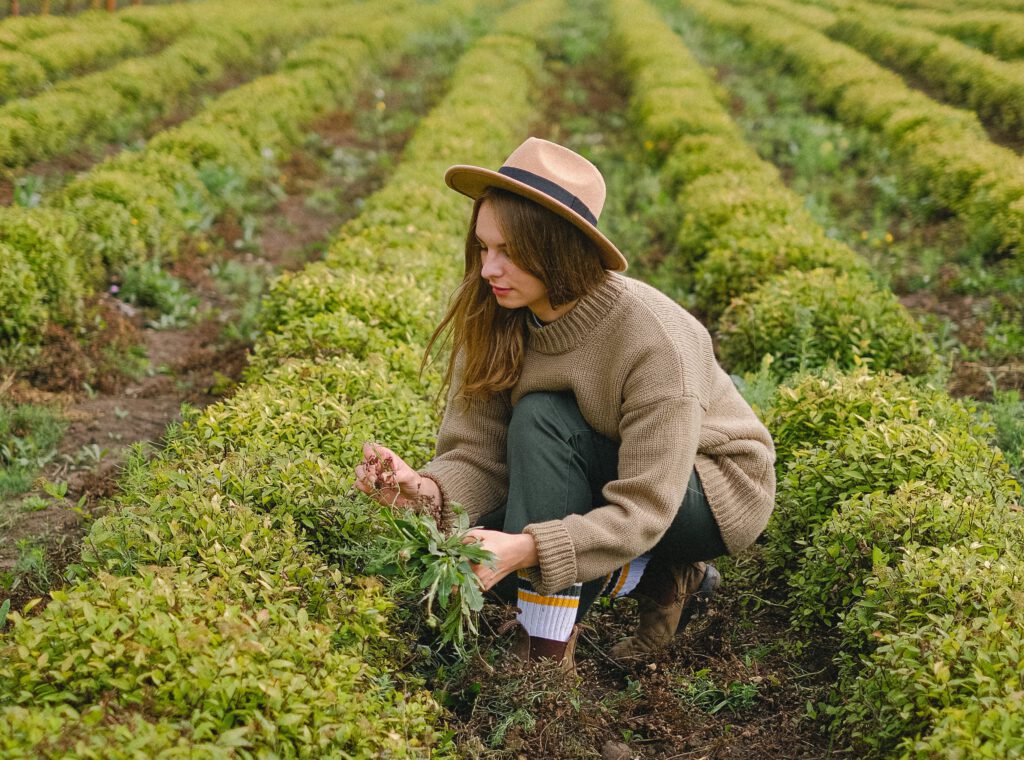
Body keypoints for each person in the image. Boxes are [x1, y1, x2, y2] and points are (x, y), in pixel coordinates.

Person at [354, 137, 776, 670]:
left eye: (508, 252)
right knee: (470, 543)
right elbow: (478, 454)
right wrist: (423, 488)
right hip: (597, 467)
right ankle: (661, 578)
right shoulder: (497, 314)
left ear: (557, 249)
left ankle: (545, 657)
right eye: (483, 248)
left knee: (540, 425)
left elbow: (647, 506)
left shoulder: (653, 338)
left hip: (703, 490)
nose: (488, 270)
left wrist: (529, 548)